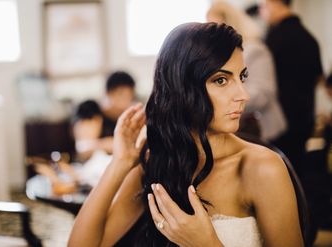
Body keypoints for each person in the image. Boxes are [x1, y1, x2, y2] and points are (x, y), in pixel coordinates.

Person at [68, 23, 305, 247]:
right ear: (181, 89)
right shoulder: (158, 163)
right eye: (221, 80)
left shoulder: (262, 168)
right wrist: (120, 163)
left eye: (241, 77)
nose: (243, 94)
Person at [259, 0, 324, 174]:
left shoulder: (271, 40)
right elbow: (319, 78)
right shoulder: (309, 38)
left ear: (274, 3)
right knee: (297, 175)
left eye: (263, 6)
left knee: (277, 175)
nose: (261, 12)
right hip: (305, 119)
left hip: (278, 124)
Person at [206, 1, 286, 141]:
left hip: (262, 129)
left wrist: (221, 101)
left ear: (230, 23)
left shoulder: (254, 50)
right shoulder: (216, 55)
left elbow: (263, 93)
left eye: (215, 26)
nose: (212, 35)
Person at [74, 71, 137, 161]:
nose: (125, 100)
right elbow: (83, 147)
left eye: (129, 95)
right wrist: (118, 143)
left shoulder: (132, 115)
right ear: (108, 93)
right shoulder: (92, 110)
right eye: (120, 94)